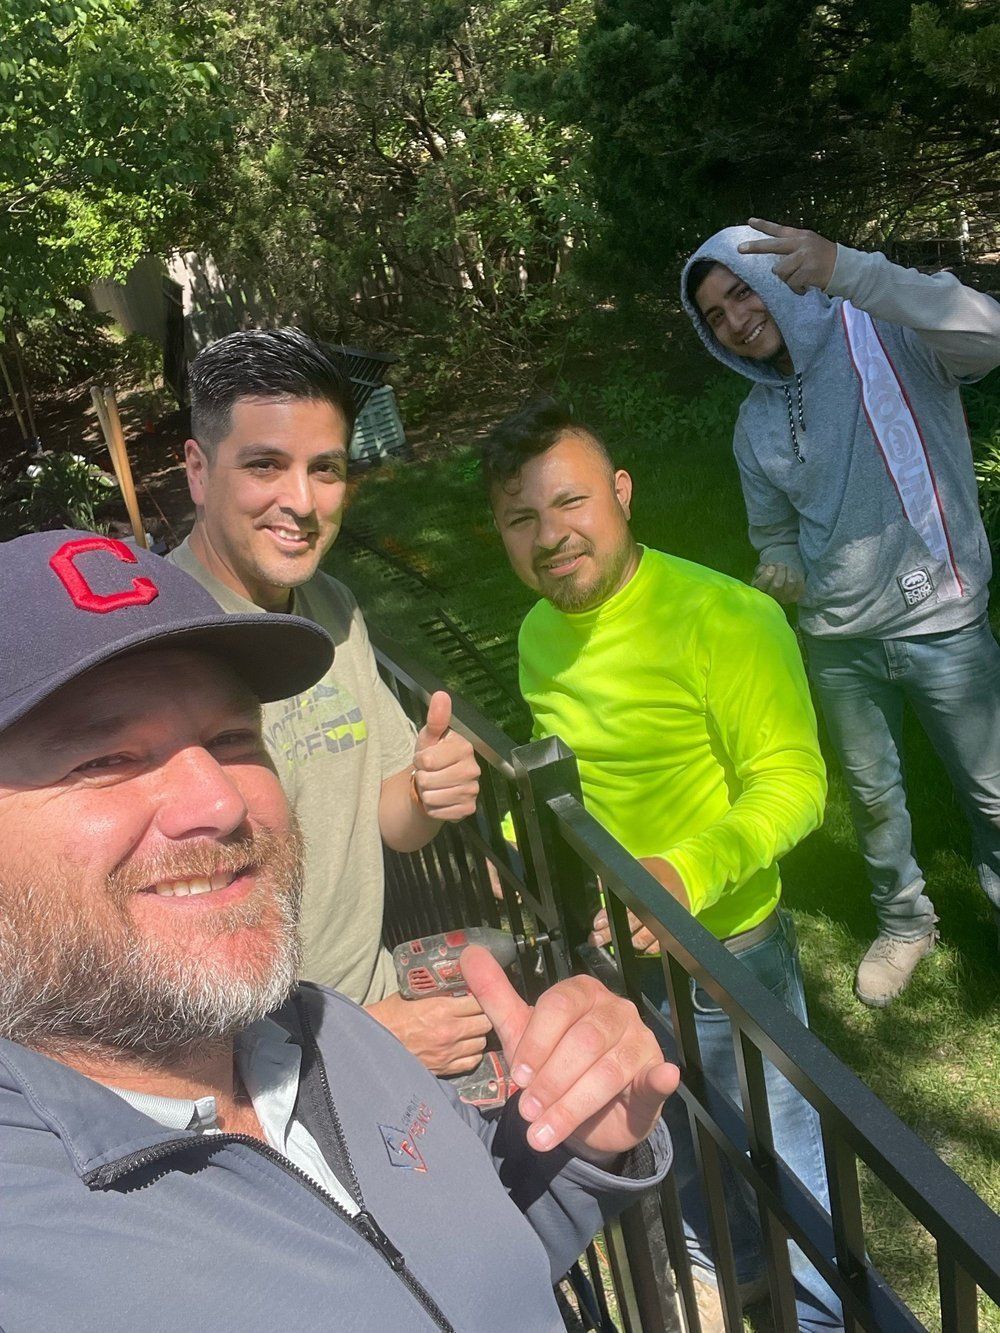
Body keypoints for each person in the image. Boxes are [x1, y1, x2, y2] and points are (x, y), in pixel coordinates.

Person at [0, 527, 676, 1330]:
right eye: (104, 759)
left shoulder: (323, 1029)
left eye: (232, 738)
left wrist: (577, 1144)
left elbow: (469, 1261)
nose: (218, 802)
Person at [481, 401, 841, 1332]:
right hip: (611, 952)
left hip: (727, 951)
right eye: (522, 519)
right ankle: (730, 1280)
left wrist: (682, 875)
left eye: (570, 503)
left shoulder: (728, 616)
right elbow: (572, 768)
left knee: (786, 1158)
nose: (551, 536)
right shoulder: (535, 633)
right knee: (674, 1138)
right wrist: (517, 849)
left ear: (622, 494)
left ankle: (820, 1312)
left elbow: (795, 781)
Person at [681, 219, 1000, 1007]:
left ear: (780, 275)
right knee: (872, 795)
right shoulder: (753, 421)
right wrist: (782, 563)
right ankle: (904, 922)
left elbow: (987, 335)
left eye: (739, 291)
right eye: (715, 316)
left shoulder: (887, 333)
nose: (735, 319)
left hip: (943, 617)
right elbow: (776, 527)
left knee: (993, 788)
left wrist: (851, 269)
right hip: (837, 641)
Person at [168, 327, 487, 1075]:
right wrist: (353, 1042)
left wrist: (427, 790)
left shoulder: (331, 603)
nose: (302, 502)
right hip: (260, 1070)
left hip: (372, 1012)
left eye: (326, 469)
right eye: (265, 466)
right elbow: (160, 960)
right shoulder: (158, 648)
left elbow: (391, 821)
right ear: (198, 470)